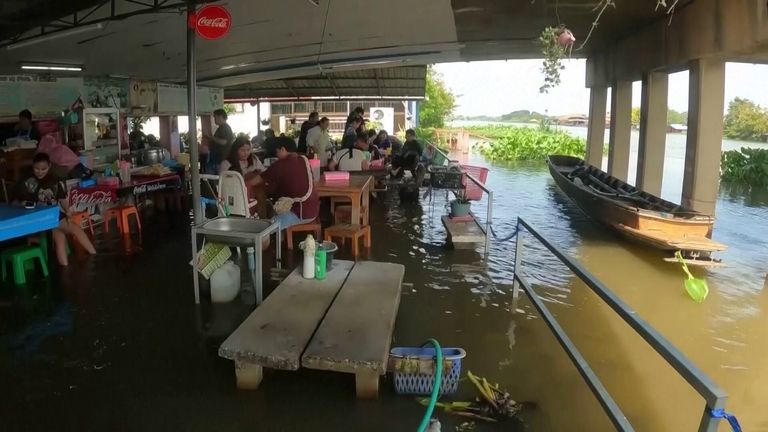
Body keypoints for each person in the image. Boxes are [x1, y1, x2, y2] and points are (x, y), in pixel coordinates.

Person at [13, 153, 96, 266]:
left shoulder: (54, 180)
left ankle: (75, 264)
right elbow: (15, 201)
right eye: (37, 168)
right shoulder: (27, 182)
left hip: (54, 214)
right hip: (40, 217)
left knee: (64, 236)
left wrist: (68, 212)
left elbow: (62, 199)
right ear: (33, 166)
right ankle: (94, 258)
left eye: (43, 169)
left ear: (49, 166)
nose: (40, 171)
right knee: (73, 231)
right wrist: (23, 203)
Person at [250, 137, 319, 230]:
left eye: (277, 151)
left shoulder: (280, 165)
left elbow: (255, 181)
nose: (276, 155)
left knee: (265, 230)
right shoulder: (304, 159)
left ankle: (272, 240)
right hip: (313, 210)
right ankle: (280, 238)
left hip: (299, 213)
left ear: (283, 149)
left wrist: (243, 182)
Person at [203, 109, 234, 174]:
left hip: (219, 160)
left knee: (216, 180)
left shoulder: (225, 128)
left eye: (215, 117)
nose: (214, 119)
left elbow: (224, 142)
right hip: (216, 159)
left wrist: (211, 138)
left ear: (220, 116)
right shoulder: (221, 128)